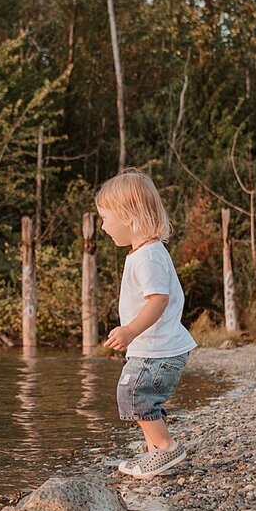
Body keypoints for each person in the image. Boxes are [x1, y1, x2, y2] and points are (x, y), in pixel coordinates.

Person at [96, 168, 197, 478]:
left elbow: (158, 300)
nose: (102, 227)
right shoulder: (144, 253)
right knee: (143, 398)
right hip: (156, 349)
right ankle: (156, 455)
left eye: (106, 219)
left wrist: (129, 330)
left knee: (134, 395)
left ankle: (166, 448)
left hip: (159, 350)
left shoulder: (148, 256)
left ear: (129, 217)